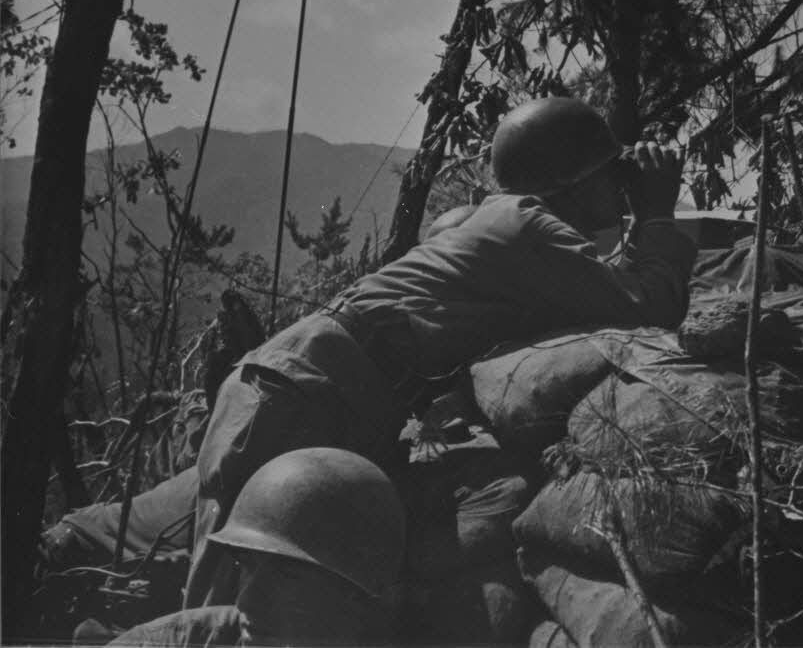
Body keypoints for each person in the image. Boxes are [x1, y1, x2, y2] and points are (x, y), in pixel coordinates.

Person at [186, 97, 696, 606]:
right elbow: (644, 307)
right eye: (610, 173)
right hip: (306, 391)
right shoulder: (523, 225)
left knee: (294, 593)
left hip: (325, 390)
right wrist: (655, 214)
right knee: (236, 586)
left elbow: (605, 303)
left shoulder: (515, 228)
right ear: (574, 180)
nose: (619, 186)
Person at [110, 448, 404, 647]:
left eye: (287, 576)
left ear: (358, 598)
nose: (247, 601)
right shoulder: (191, 638)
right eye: (247, 566)